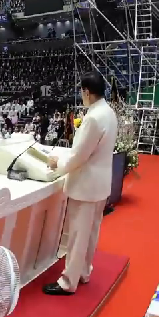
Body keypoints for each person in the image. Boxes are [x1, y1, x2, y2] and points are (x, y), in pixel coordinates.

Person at [43, 72, 117, 296]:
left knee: (77, 235)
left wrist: (57, 164)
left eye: (81, 91)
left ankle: (68, 282)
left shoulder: (93, 118)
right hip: (100, 184)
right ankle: (84, 271)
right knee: (91, 233)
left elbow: (79, 156)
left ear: (86, 91)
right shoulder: (109, 112)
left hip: (86, 185)